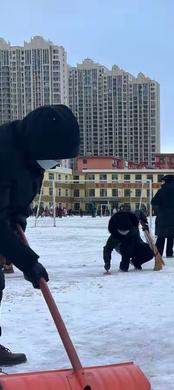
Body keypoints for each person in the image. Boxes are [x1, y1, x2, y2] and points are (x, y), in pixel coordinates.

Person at [0, 104, 80, 366]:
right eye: (54, 157)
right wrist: (28, 261)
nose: (55, 163)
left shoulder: (33, 157)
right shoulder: (3, 152)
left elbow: (20, 200)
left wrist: (18, 220)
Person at [151, 175, 174, 258]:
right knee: (170, 236)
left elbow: (153, 202)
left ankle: (158, 253)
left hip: (163, 216)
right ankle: (169, 253)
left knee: (161, 236)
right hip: (173, 216)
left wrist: (158, 208)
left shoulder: (162, 191)